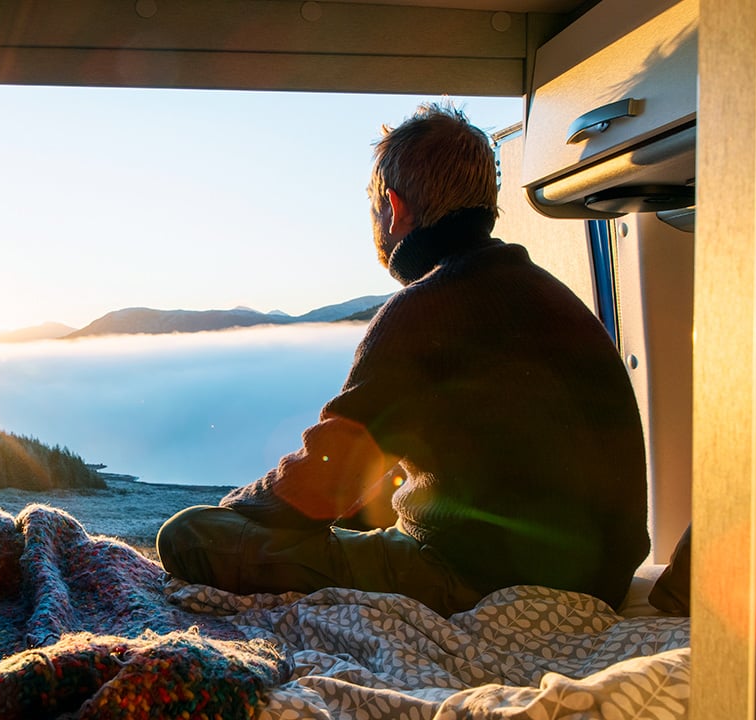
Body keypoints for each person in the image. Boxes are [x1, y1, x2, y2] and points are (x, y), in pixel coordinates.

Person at [155, 102, 650, 617]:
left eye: (374, 211)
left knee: (188, 535)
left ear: (394, 207)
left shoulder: (427, 307)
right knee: (365, 512)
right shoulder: (546, 292)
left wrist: (239, 506)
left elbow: (322, 486)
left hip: (475, 576)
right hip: (602, 578)